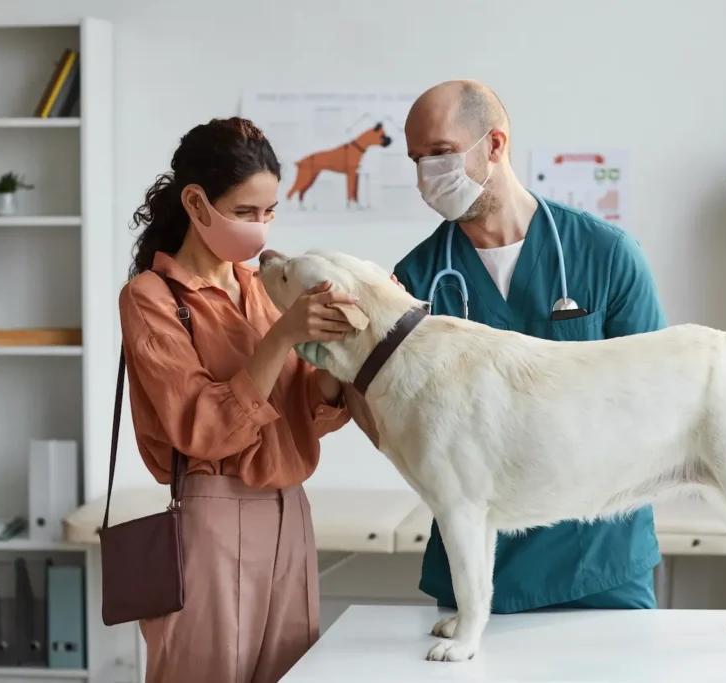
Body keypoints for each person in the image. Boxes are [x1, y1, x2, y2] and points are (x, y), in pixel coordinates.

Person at [393, 80, 668, 615]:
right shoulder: (415, 282)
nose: (428, 174)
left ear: (494, 144)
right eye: (417, 159)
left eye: (442, 153)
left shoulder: (605, 255)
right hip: (477, 568)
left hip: (597, 558)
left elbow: (655, 397)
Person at [119, 117, 357, 683]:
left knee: (290, 673)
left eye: (270, 212)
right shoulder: (151, 298)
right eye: (246, 213)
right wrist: (282, 336)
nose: (262, 229)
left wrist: (339, 352)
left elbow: (305, 412)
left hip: (290, 511)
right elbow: (203, 428)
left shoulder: (258, 286)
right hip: (212, 515)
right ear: (197, 205)